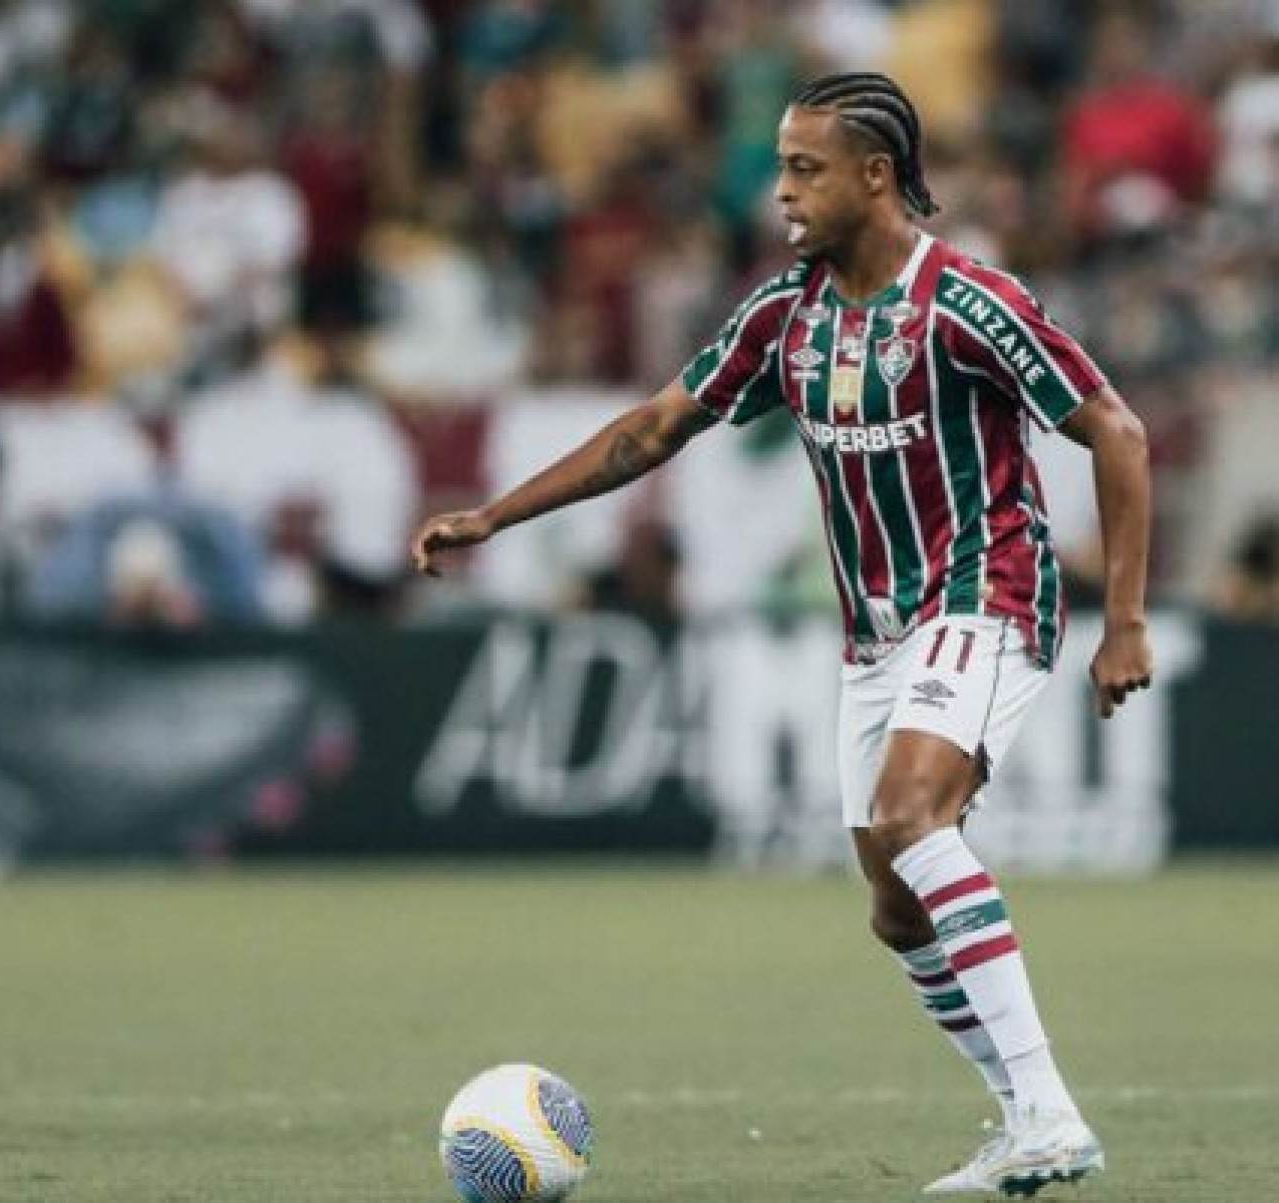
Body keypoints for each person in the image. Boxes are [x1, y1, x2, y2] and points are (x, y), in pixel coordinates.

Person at [412, 73, 1153, 1198]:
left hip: (987, 592)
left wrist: (1126, 618)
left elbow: (1116, 428)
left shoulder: (966, 300)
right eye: (781, 165)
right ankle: (1020, 1122)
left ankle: (1054, 1117)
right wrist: (495, 514)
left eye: (805, 167)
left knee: (914, 817)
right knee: (896, 906)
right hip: (876, 633)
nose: (783, 190)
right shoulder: (785, 313)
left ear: (875, 174)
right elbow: (654, 429)